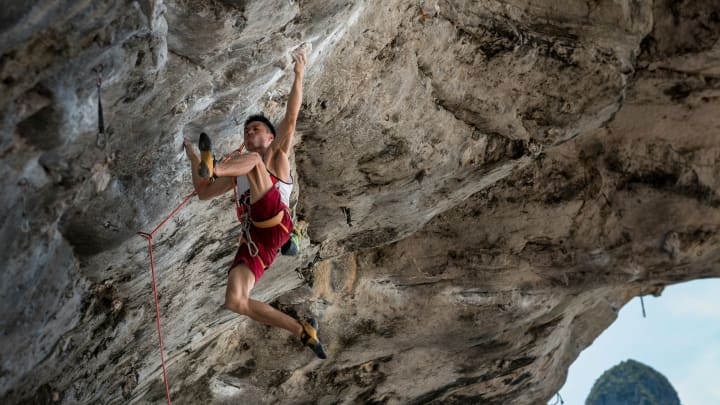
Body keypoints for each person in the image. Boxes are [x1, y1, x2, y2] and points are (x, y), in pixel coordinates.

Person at [183, 46, 325, 359]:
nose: (249, 132)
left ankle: (214, 164)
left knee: (252, 163)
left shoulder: (275, 155)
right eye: (247, 131)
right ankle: (302, 330)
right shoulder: (242, 172)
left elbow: (291, 115)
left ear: (271, 137)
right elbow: (204, 193)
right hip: (260, 241)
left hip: (276, 221)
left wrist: (299, 72)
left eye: (256, 129)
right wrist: (193, 156)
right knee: (236, 300)